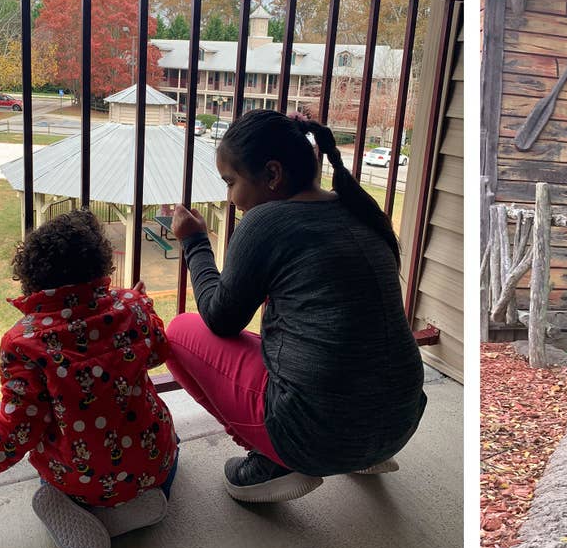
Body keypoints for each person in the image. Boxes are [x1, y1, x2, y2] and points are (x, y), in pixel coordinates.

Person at [166, 108, 426, 504]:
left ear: (272, 175)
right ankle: (360, 451)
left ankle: (272, 458)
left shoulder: (268, 221)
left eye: (231, 182)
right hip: (399, 424)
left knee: (178, 333)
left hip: (314, 437)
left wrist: (194, 243)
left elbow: (220, 319)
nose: (231, 199)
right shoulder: (360, 211)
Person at [0, 209, 178, 548]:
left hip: (80, 478)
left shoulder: (23, 342)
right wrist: (142, 308)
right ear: (103, 267)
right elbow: (159, 352)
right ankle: (141, 502)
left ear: (30, 278)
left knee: (52, 481)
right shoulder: (130, 308)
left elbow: (18, 426)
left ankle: (90, 510)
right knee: (171, 448)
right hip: (153, 461)